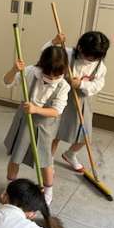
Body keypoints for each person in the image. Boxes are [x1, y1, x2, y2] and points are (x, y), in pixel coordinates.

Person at [1, 46, 70, 206]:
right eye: (48, 74)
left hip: (45, 126)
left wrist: (36, 109)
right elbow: (7, 82)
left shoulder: (63, 86)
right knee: (15, 157)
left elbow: (56, 111)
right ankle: (9, 188)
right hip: (24, 121)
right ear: (41, 66)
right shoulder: (31, 72)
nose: (52, 78)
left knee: (45, 161)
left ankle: (48, 191)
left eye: (56, 75)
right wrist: (14, 70)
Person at [46, 31, 110, 172]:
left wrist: (81, 84)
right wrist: (54, 42)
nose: (90, 60)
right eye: (88, 56)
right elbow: (46, 55)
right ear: (80, 47)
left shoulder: (100, 67)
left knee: (85, 136)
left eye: (95, 58)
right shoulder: (67, 54)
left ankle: (70, 154)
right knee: (56, 133)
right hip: (60, 99)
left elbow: (98, 85)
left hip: (81, 102)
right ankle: (48, 161)